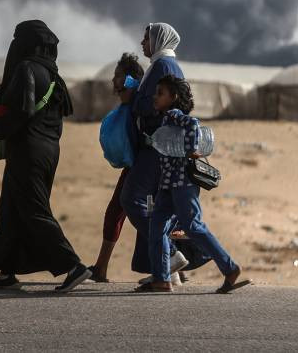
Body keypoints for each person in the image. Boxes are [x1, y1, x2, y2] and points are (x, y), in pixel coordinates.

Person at [0, 20, 91, 292]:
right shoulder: (53, 75)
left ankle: (73, 266)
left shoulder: (26, 68)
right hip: (48, 151)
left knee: (33, 209)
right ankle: (6, 269)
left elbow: (23, 112)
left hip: (28, 150)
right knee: (11, 209)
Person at [139, 75, 249, 294]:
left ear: (174, 97)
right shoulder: (165, 119)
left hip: (182, 183)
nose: (155, 96)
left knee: (192, 226)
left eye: (161, 93)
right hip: (169, 185)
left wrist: (190, 149)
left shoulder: (174, 115)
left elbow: (193, 124)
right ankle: (161, 279)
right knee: (157, 227)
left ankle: (230, 268)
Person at [120, 23, 189, 280]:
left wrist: (135, 96)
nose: (142, 43)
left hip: (155, 148)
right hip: (157, 147)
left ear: (158, 40)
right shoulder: (163, 65)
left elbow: (150, 105)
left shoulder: (163, 67)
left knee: (131, 199)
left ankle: (170, 255)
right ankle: (164, 271)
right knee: (155, 209)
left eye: (146, 38)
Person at [88, 52, 145, 283]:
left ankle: (171, 266)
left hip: (143, 167)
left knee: (120, 213)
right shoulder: (131, 103)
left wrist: (129, 82)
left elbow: (135, 83)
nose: (114, 81)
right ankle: (101, 268)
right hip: (135, 165)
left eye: (118, 76)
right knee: (119, 214)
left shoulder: (140, 100)